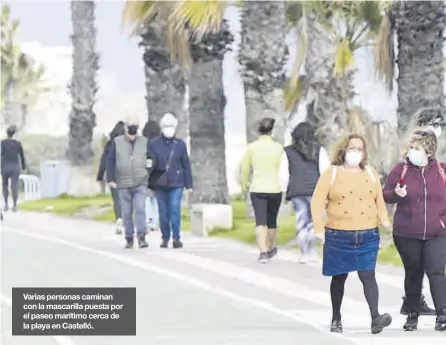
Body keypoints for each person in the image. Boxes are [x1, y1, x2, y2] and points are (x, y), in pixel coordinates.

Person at [311, 133, 392, 334]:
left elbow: (378, 199)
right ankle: (336, 317)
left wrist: (384, 219)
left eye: (359, 149)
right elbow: (317, 201)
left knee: (368, 275)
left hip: (367, 234)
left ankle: (375, 318)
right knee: (339, 277)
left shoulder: (370, 173)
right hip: (338, 235)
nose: (355, 152)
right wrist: (319, 229)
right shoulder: (332, 173)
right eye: (351, 148)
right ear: (343, 150)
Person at [383, 130, 446, 332]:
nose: (412, 152)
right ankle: (412, 314)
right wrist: (396, 194)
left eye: (417, 148)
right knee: (413, 273)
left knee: (436, 271)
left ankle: (442, 314)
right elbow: (385, 194)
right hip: (406, 232)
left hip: (437, 232)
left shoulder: (442, 171)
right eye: (411, 147)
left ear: (429, 150)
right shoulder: (400, 170)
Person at [397, 110, 444, 316]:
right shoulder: (407, 162)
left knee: (434, 269)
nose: (438, 128)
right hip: (409, 229)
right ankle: (413, 305)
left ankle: (440, 310)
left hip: (436, 228)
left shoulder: (439, 162)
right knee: (414, 269)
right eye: (434, 123)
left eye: (440, 124)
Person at [279, 122, 330, 263]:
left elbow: (283, 174)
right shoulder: (319, 150)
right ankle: (313, 252)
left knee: (301, 222)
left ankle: (303, 253)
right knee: (314, 222)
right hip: (315, 191)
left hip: (296, 192)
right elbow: (325, 171)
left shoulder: (288, 152)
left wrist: (284, 190)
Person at [241, 117, 284, 264]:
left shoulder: (252, 147)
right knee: (272, 222)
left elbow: (245, 168)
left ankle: (263, 252)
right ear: (271, 130)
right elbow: (283, 168)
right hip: (275, 188)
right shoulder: (278, 148)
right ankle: (270, 248)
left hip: (257, 188)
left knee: (260, 221)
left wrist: (244, 184)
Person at [106, 118, 152, 249]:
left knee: (140, 209)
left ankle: (142, 237)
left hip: (140, 182)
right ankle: (129, 238)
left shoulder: (144, 142)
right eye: (130, 128)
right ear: (126, 128)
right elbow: (110, 161)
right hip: (123, 183)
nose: (132, 131)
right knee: (126, 212)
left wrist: (147, 171)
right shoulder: (117, 143)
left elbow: (151, 158)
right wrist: (111, 179)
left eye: (135, 128)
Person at [149, 113, 192, 249]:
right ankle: (165, 237)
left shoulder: (180, 145)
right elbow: (149, 163)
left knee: (174, 209)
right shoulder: (153, 144)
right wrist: (148, 181)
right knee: (163, 212)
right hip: (159, 183)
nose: (169, 129)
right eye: (167, 126)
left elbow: (186, 164)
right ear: (162, 128)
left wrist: (189, 184)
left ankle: (177, 238)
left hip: (176, 182)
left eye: (171, 126)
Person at [96, 121, 125, 234]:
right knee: (126, 198)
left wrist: (100, 176)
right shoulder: (127, 144)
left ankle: (119, 219)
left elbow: (104, 161)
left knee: (117, 199)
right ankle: (126, 220)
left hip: (112, 175)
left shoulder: (109, 144)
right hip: (125, 174)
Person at [1, 125, 26, 212]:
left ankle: (6, 204)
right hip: (15, 167)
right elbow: (22, 156)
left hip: (5, 167)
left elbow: (1, 154)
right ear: (14, 133)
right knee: (14, 185)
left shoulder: (3, 143)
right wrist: (23, 166)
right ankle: (15, 205)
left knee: (5, 185)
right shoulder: (18, 144)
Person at [142, 120, 161, 231]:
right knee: (156, 200)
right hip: (159, 175)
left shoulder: (145, 144)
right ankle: (155, 222)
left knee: (147, 198)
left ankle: (148, 220)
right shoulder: (159, 144)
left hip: (148, 174)